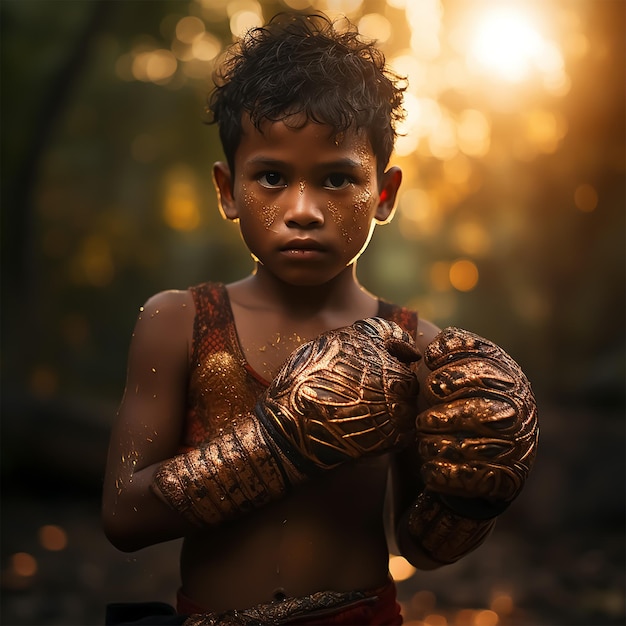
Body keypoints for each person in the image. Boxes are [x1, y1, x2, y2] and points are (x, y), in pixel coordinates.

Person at [102, 11, 538, 626]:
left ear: (382, 195)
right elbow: (122, 515)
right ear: (228, 190)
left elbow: (419, 548)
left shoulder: (418, 350)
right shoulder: (178, 322)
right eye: (272, 177)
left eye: (337, 179)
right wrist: (281, 444)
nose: (303, 210)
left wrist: (475, 497)